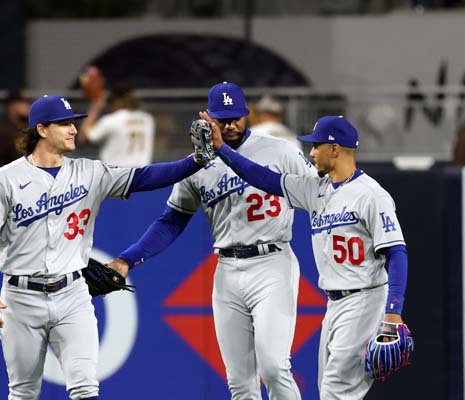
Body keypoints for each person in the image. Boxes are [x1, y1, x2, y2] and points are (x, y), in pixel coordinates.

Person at [0, 94, 208, 400]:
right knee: (23, 392)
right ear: (42, 129)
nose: (74, 130)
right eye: (65, 123)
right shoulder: (6, 179)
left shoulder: (90, 172)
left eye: (74, 123)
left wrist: (195, 161)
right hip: (19, 298)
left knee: (84, 387)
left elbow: (145, 177)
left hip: (73, 295)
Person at [107, 82, 316, 399]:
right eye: (222, 118)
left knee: (274, 368)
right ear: (207, 119)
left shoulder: (280, 150)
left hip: (272, 262)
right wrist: (128, 258)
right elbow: (173, 219)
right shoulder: (199, 164)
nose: (230, 124)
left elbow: (316, 194)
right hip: (227, 270)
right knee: (239, 383)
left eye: (236, 117)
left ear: (248, 114)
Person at [201, 113, 409, 400]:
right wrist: (223, 149)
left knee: (336, 393)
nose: (310, 152)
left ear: (334, 149)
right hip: (334, 304)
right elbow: (264, 178)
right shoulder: (315, 189)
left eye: (317, 145)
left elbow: (396, 252)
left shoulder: (372, 195)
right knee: (329, 391)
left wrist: (393, 313)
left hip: (365, 300)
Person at [79, 82, 155, 167]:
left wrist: (96, 105)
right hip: (142, 174)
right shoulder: (147, 119)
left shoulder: (112, 120)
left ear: (115, 100)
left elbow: (84, 137)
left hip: (116, 175)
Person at [0, 90, 30, 167]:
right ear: (11, 106)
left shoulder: (32, 129)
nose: (28, 106)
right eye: (23, 103)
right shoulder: (1, 133)